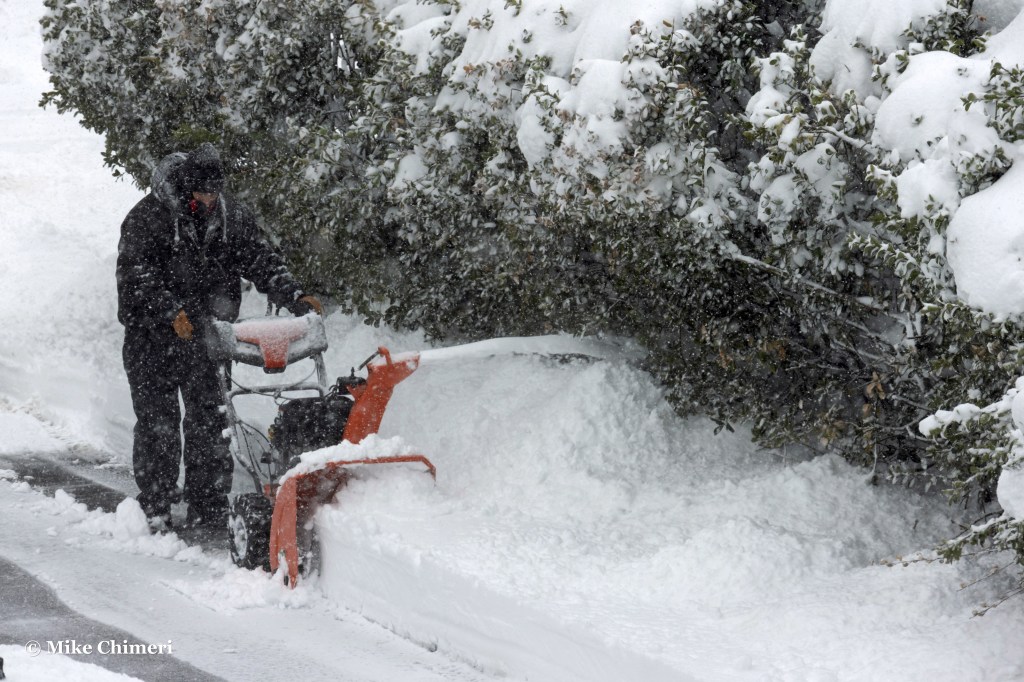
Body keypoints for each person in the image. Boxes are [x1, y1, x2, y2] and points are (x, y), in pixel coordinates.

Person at [116, 143, 322, 533]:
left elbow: (259, 258)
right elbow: (135, 276)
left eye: (214, 193)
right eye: (201, 193)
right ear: (186, 186)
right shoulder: (148, 218)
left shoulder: (230, 218)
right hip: (150, 340)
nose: (209, 200)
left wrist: (293, 294)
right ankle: (156, 504)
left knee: (210, 420)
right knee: (159, 423)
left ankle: (207, 504)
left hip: (207, 336)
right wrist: (169, 311)